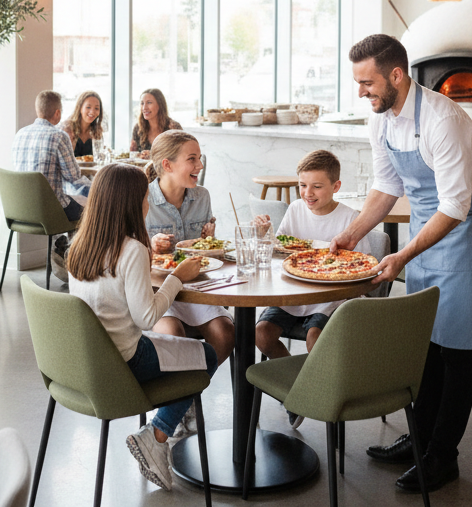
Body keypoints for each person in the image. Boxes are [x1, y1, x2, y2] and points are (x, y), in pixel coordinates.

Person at [329, 34, 472, 494]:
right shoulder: (381, 120)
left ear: (396, 75)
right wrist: (352, 233)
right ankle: (419, 440)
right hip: (427, 230)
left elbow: (456, 205)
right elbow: (387, 187)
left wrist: (403, 254)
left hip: (459, 234)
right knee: (425, 342)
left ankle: (443, 457)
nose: (361, 92)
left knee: (457, 349)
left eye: (367, 83)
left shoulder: (445, 120)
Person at [68, 163, 219, 492]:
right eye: (144, 197)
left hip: (85, 361)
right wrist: (177, 277)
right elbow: (147, 319)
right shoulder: (132, 249)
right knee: (206, 355)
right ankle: (156, 435)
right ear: (133, 203)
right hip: (125, 361)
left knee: (179, 349)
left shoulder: (80, 243)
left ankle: (159, 431)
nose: (148, 202)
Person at [254, 149, 359, 428]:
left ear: (336, 186)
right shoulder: (295, 209)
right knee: (261, 333)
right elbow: (280, 253)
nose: (307, 193)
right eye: (302, 185)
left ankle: (311, 396)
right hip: (293, 294)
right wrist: (265, 236)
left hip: (329, 298)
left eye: (317, 186)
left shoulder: (350, 218)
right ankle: (297, 391)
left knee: (315, 337)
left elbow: (360, 270)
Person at [146, 131, 235, 384]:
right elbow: (128, 252)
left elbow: (206, 253)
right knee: (173, 337)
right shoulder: (143, 198)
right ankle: (184, 397)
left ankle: (191, 390)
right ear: (167, 165)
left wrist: (208, 241)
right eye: (192, 159)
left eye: (200, 158)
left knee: (226, 333)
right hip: (158, 292)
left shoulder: (202, 196)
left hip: (197, 289)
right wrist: (150, 246)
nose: (200, 165)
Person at [13, 90, 90, 222]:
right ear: (57, 113)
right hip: (51, 210)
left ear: (38, 110)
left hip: (20, 210)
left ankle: (66, 236)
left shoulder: (20, 134)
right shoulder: (59, 136)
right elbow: (73, 177)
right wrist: (96, 187)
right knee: (96, 209)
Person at [130, 88, 182, 156]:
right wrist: (133, 152)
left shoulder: (173, 128)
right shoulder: (138, 128)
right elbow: (134, 157)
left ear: (160, 105)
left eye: (149, 103)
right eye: (142, 103)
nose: (144, 108)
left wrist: (152, 155)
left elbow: (180, 156)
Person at [60, 90, 104, 158]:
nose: (92, 112)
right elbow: (62, 158)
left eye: (96, 108)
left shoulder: (96, 131)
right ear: (80, 108)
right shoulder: (67, 128)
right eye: (88, 107)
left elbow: (98, 157)